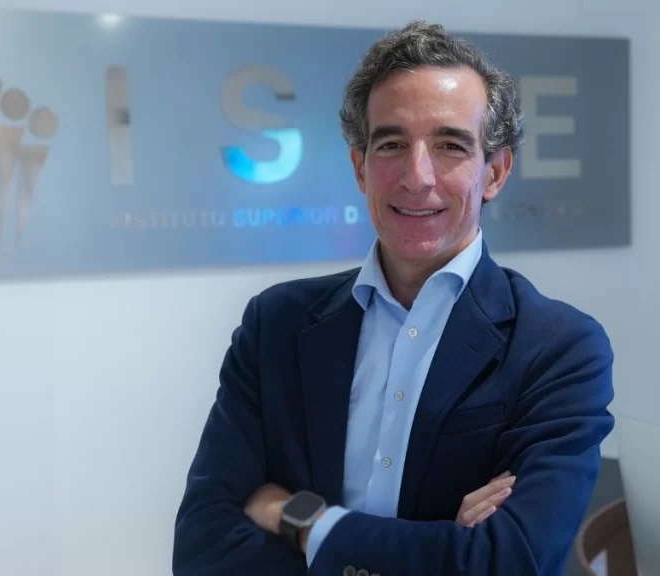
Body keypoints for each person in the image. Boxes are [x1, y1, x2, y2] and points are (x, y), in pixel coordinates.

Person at [173, 20, 614, 576]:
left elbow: (509, 562)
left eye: (450, 145)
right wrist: (443, 546)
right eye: (391, 144)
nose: (416, 176)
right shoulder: (275, 326)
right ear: (360, 167)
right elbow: (202, 551)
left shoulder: (558, 349)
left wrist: (303, 522)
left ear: (496, 171)